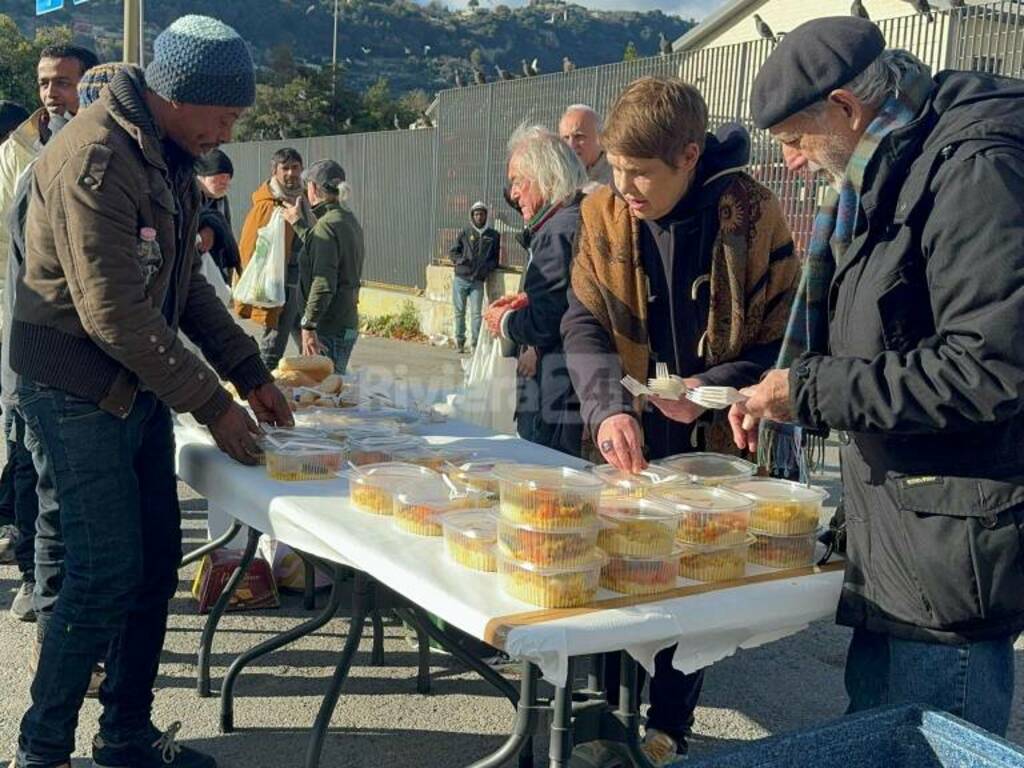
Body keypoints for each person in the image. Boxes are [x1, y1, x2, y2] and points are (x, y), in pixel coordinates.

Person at [9, 16, 292, 768]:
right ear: (177, 94)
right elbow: (115, 313)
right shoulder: (97, 157)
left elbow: (184, 287)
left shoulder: (165, 153)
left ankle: (125, 734)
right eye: (224, 115)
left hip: (132, 388)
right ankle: (41, 748)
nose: (229, 129)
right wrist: (214, 404)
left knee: (156, 562)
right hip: (74, 387)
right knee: (102, 570)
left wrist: (251, 371)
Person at [733, 17, 1024, 738]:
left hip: (949, 556)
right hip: (900, 539)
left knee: (925, 742)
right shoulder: (889, 165)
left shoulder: (972, 169)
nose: (793, 164)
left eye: (795, 142)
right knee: (878, 738)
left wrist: (808, 391)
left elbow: (988, 367)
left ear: (845, 106)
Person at [561, 76, 798, 765]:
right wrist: (606, 408)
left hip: (717, 435)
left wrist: (709, 387)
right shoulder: (604, 212)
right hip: (628, 428)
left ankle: (668, 729)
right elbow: (583, 322)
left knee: (692, 584)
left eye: (640, 174)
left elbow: (783, 341)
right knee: (610, 569)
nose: (624, 188)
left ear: (690, 156)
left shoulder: (753, 216)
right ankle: (601, 719)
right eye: (615, 169)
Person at [0, 45, 98, 622]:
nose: (49, 93)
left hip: (81, 347)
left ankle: (54, 590)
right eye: (43, 82)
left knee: (54, 478)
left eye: (62, 82)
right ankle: (35, 580)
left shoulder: (102, 149)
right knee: (32, 464)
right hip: (27, 332)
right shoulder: (18, 154)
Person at [483, 124, 586, 457]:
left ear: (548, 177)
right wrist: (530, 298)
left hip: (554, 394)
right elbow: (568, 299)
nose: (512, 194)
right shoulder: (577, 218)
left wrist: (505, 321)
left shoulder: (556, 231)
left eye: (517, 181)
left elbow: (546, 322)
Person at [235, 146, 315, 371]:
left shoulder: (304, 200)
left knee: (309, 342)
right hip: (280, 284)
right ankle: (260, 386)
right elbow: (249, 247)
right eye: (285, 168)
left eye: (295, 167)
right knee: (274, 343)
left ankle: (311, 381)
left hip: (303, 283)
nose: (291, 173)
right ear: (275, 171)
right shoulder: (267, 204)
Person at [282, 159, 365, 374]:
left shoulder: (327, 226)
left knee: (323, 393)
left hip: (328, 327)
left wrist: (309, 326)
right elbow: (321, 246)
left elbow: (323, 282)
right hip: (346, 321)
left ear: (313, 188)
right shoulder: (346, 219)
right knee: (332, 386)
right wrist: (299, 224)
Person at [448, 201, 500, 353]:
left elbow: (495, 260)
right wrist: (461, 261)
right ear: (472, 216)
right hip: (461, 279)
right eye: (476, 214)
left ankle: (475, 344)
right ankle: (460, 341)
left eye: (482, 214)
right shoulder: (465, 232)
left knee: (477, 314)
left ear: (486, 215)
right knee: (459, 312)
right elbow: (453, 252)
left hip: (478, 281)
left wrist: (486, 269)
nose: (479, 217)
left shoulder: (493, 235)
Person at [194, 148, 240, 284]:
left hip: (217, 270)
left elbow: (228, 234)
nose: (224, 183)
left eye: (227, 178)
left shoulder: (221, 200)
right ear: (201, 177)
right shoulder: (188, 199)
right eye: (219, 177)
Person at [559, 104, 612, 193]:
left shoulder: (615, 179)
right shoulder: (558, 178)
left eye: (579, 136)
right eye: (566, 138)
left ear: (600, 138)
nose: (571, 145)